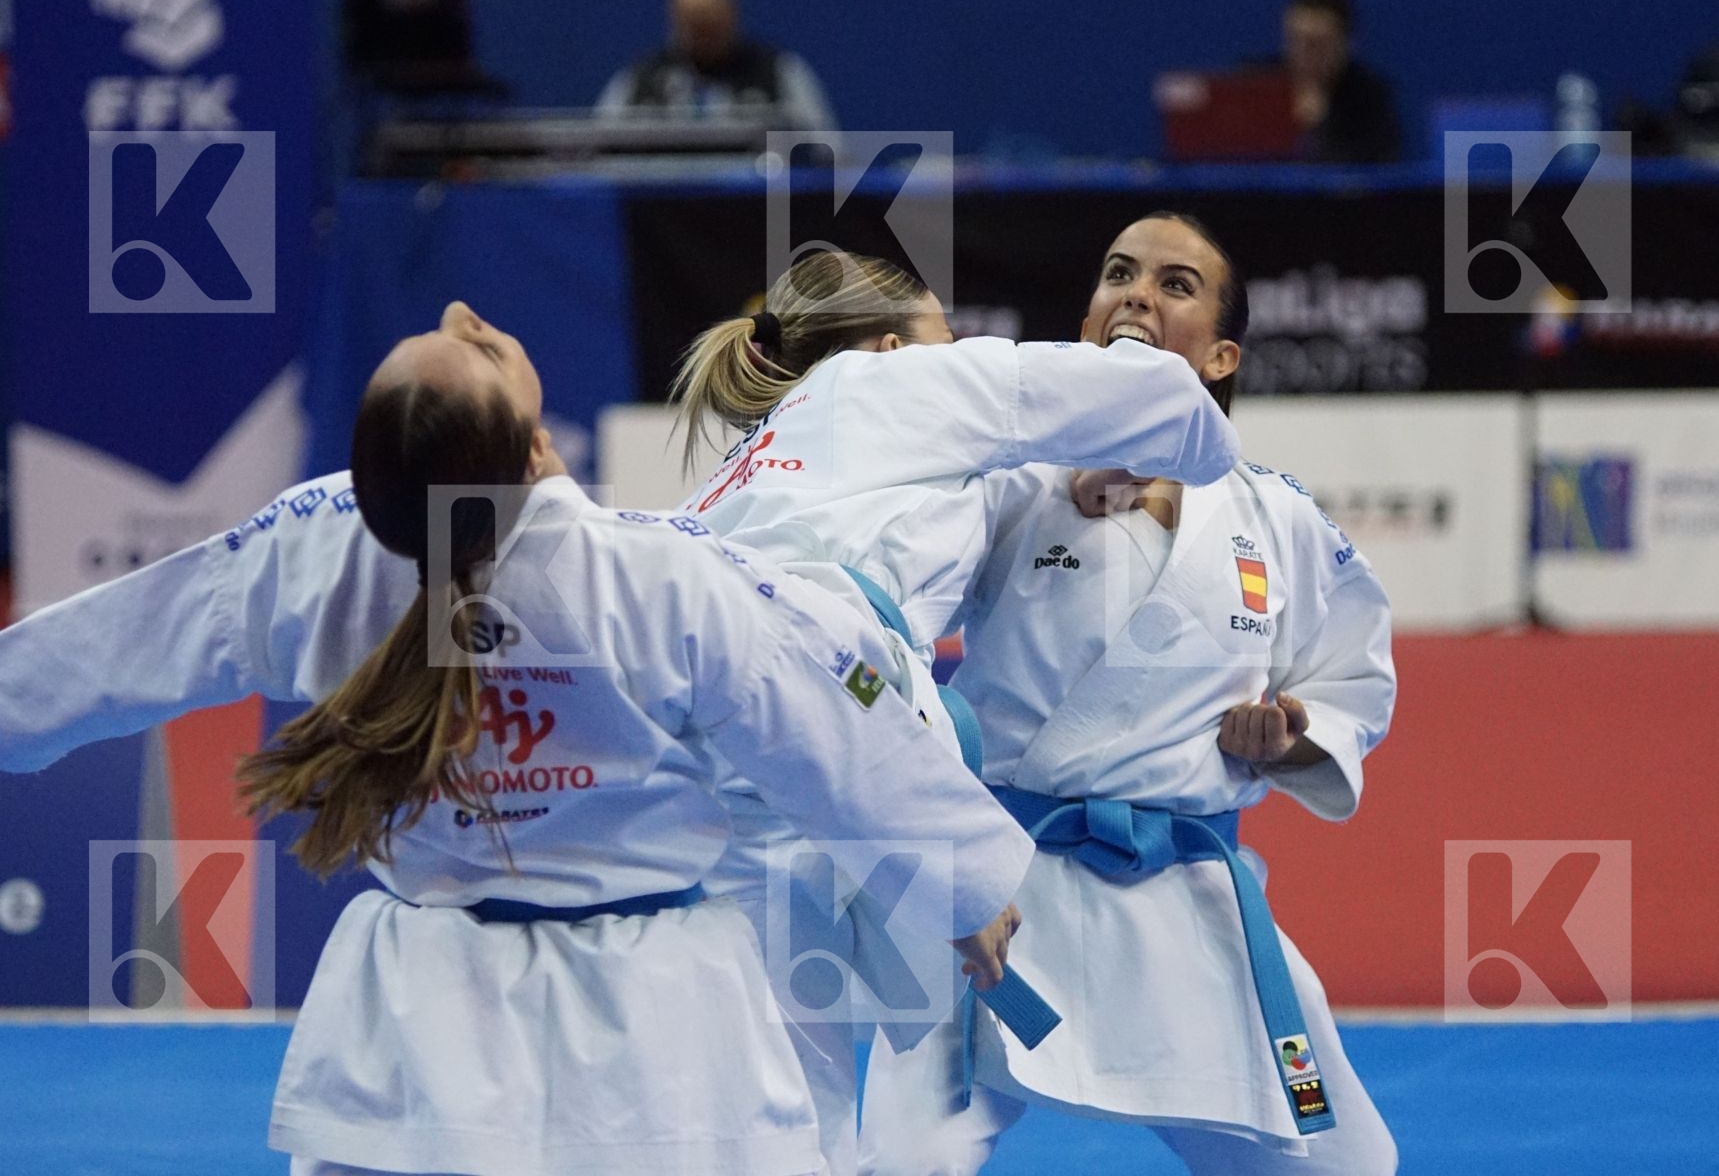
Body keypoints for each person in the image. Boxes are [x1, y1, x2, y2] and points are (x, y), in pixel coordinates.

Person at [0, 303, 1036, 1176]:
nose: (462, 314)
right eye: (478, 347)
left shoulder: (314, 550)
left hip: (421, 1015)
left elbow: (109, 651)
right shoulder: (659, 577)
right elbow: (829, 730)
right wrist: (960, 884)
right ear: (538, 450)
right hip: (656, 1017)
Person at [674, 249, 1245, 1172]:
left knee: (772, 1111)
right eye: (947, 333)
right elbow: (1174, 405)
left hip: (727, 776)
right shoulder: (898, 381)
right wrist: (955, 881)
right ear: (895, 346)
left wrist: (1076, 471)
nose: (959, 349)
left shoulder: (753, 462)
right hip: (828, 717)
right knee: (815, 1099)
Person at [856, 212, 1399, 1175]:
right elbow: (882, 617)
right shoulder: (1005, 484)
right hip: (1000, 889)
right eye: (1118, 274)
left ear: (1220, 357)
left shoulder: (1277, 515)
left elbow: (1353, 674)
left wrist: (1293, 733)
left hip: (1187, 894)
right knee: (905, 1161)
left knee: (1341, 1162)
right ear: (1086, 324)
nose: (1138, 293)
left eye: (1174, 284)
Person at [596, 0, 836, 132]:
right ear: (676, 22)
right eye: (696, 31)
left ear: (732, 16)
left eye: (713, 29)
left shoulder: (777, 73)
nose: (706, 42)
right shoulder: (641, 81)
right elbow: (597, 153)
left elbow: (826, 153)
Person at [1284, 0, 1401, 163]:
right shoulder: (1261, 86)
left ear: (1345, 43)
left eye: (1317, 43)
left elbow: (1376, 161)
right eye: (1296, 39)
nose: (1304, 52)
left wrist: (1321, 125)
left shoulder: (1369, 97)